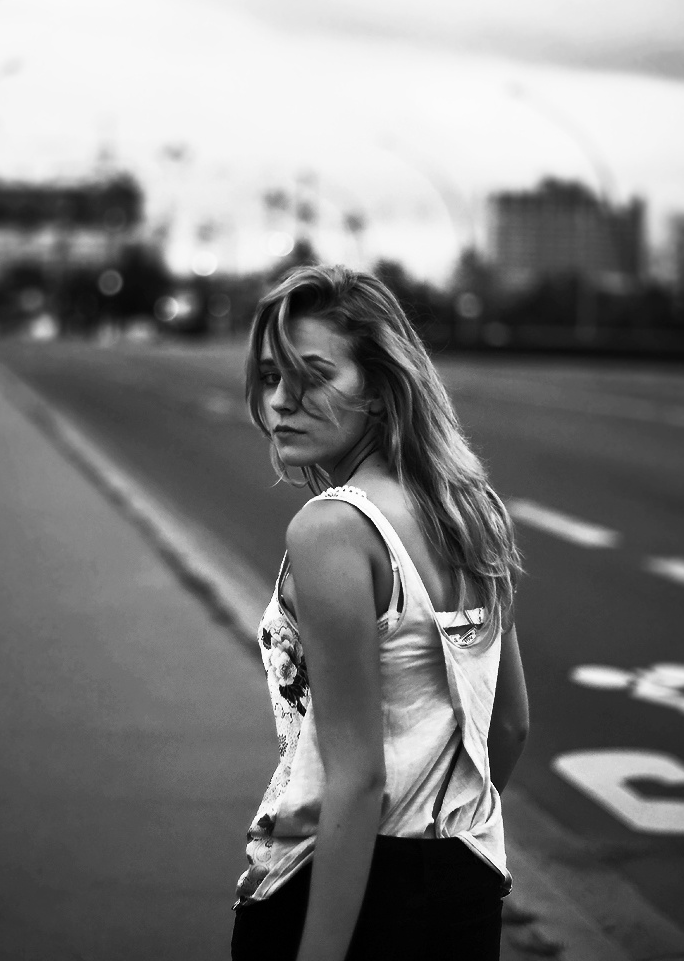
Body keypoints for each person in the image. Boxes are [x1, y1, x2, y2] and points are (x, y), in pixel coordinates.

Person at [231, 265, 529, 961]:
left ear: (379, 389)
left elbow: (358, 779)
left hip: (333, 885)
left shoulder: (333, 529)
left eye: (313, 376)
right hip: (464, 884)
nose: (280, 401)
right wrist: (435, 853)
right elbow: (510, 725)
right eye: (271, 376)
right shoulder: (470, 511)